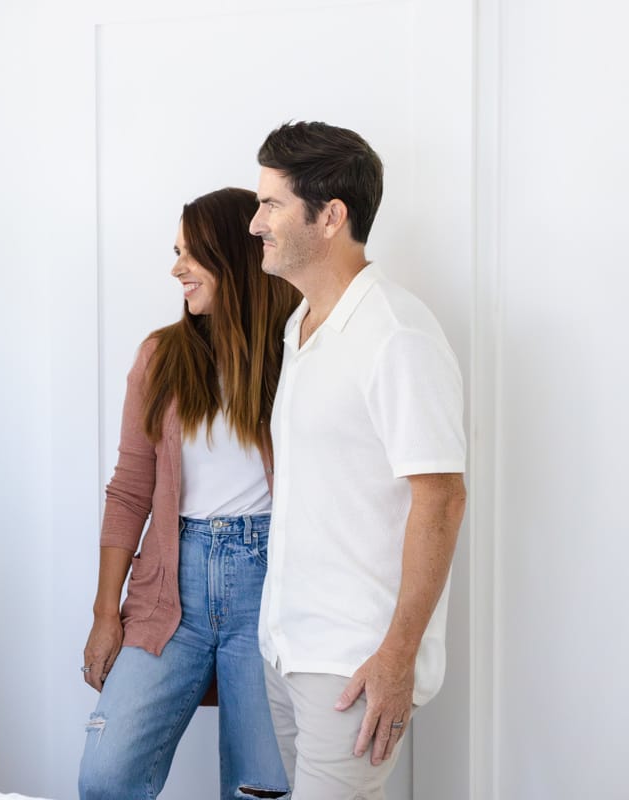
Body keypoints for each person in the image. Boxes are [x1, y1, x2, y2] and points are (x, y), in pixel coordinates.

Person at [248, 121, 468, 799]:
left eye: (271, 204)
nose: (255, 223)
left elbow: (442, 497)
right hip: (286, 649)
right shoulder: (298, 326)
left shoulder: (396, 334)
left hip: (353, 664)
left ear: (332, 216)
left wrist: (398, 658)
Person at [77, 187, 300, 800]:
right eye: (176, 252)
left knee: (261, 790)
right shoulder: (161, 357)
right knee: (105, 778)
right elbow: (129, 492)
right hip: (169, 588)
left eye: (191, 253)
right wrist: (105, 615)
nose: (177, 268)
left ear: (235, 254)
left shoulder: (297, 350)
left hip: (269, 589)